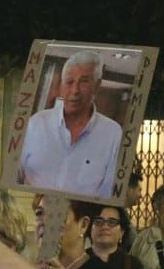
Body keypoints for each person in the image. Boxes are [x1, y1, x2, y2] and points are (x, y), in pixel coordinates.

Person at [16, 50, 123, 197]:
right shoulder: (35, 124)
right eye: (69, 82)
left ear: (97, 86)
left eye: (84, 82)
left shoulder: (113, 133)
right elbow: (15, 176)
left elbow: (109, 192)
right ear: (61, 86)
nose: (75, 90)